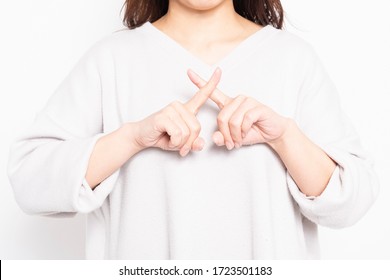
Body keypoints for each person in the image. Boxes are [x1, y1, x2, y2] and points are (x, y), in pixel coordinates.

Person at [7, 0, 378, 259]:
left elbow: (353, 199)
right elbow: (29, 179)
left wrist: (283, 137)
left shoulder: (293, 61)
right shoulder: (112, 61)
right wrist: (133, 137)